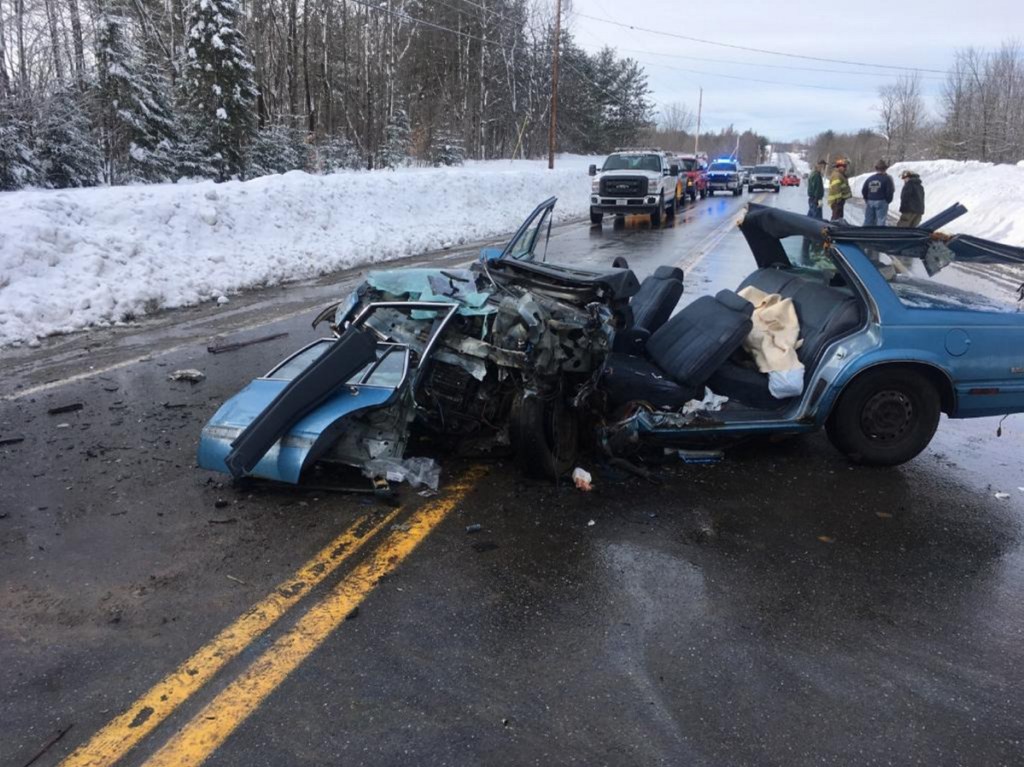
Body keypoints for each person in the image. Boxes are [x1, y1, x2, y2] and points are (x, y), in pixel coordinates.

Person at [861, 160, 894, 226]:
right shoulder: (887, 179)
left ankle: (865, 233)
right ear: (885, 169)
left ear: (876, 169)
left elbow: (864, 190)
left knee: (868, 220)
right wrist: (888, 201)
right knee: (880, 221)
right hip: (882, 201)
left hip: (870, 201)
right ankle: (879, 234)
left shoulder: (870, 178)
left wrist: (866, 199)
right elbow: (890, 191)